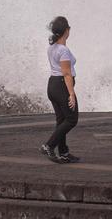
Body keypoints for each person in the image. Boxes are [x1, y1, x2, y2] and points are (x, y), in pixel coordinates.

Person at [42, 16, 79, 163]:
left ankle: (63, 152)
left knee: (62, 120)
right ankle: (49, 145)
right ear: (66, 31)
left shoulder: (52, 48)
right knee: (72, 119)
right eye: (69, 28)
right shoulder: (63, 50)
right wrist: (71, 94)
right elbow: (66, 73)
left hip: (52, 85)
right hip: (62, 85)